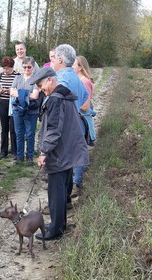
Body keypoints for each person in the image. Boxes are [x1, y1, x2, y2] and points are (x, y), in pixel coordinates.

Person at [29, 67, 88, 241]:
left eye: (41, 85)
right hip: (68, 151)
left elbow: (54, 130)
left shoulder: (55, 99)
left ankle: (55, 230)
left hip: (59, 153)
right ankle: (59, 225)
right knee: (62, 190)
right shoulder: (63, 95)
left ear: (50, 79)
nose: (41, 89)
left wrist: (44, 152)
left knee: (56, 193)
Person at [52, 44, 91, 203]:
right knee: (67, 169)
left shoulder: (62, 80)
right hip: (73, 126)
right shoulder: (76, 77)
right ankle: (66, 201)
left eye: (54, 58)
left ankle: (59, 207)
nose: (52, 61)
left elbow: (56, 109)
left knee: (59, 173)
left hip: (62, 131)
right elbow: (84, 97)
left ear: (60, 59)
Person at [71, 55, 97, 196]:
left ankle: (77, 183)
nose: (72, 67)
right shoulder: (79, 80)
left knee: (79, 151)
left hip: (80, 119)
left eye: (74, 64)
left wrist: (71, 108)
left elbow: (86, 105)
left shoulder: (85, 82)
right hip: (77, 118)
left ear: (80, 67)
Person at [10, 57, 40, 165]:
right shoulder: (17, 78)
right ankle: (19, 156)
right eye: (25, 67)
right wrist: (26, 94)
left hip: (31, 111)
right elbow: (11, 92)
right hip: (18, 109)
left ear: (33, 67)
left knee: (30, 133)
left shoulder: (36, 79)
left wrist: (20, 94)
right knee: (19, 133)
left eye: (29, 67)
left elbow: (35, 95)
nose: (27, 69)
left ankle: (30, 156)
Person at [0, 56, 19, 160]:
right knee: (4, 128)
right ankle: (3, 151)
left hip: (13, 103)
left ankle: (14, 150)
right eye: (4, 68)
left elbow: (20, 89)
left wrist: (11, 91)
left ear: (12, 67)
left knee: (13, 128)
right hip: (3, 102)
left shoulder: (17, 76)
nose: (6, 70)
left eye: (8, 68)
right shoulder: (0, 76)